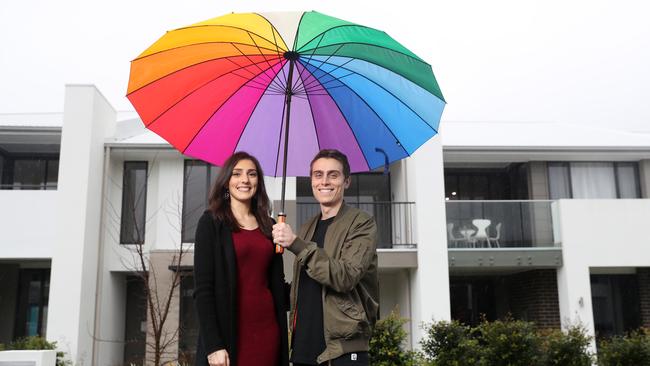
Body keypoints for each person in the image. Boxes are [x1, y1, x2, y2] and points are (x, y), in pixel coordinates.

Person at [273, 149, 379, 366]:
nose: (325, 181)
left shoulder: (361, 223)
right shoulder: (306, 228)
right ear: (311, 180)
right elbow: (303, 289)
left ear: (346, 181)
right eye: (318, 174)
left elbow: (345, 276)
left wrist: (296, 244)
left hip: (343, 352)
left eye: (333, 175)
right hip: (303, 349)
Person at [193, 152, 289, 366]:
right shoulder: (210, 223)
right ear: (226, 182)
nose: (245, 180)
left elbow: (277, 286)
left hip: (268, 331)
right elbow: (203, 290)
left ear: (258, 182)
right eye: (237, 174)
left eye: (252, 174)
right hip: (229, 335)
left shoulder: (270, 225)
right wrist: (213, 345)